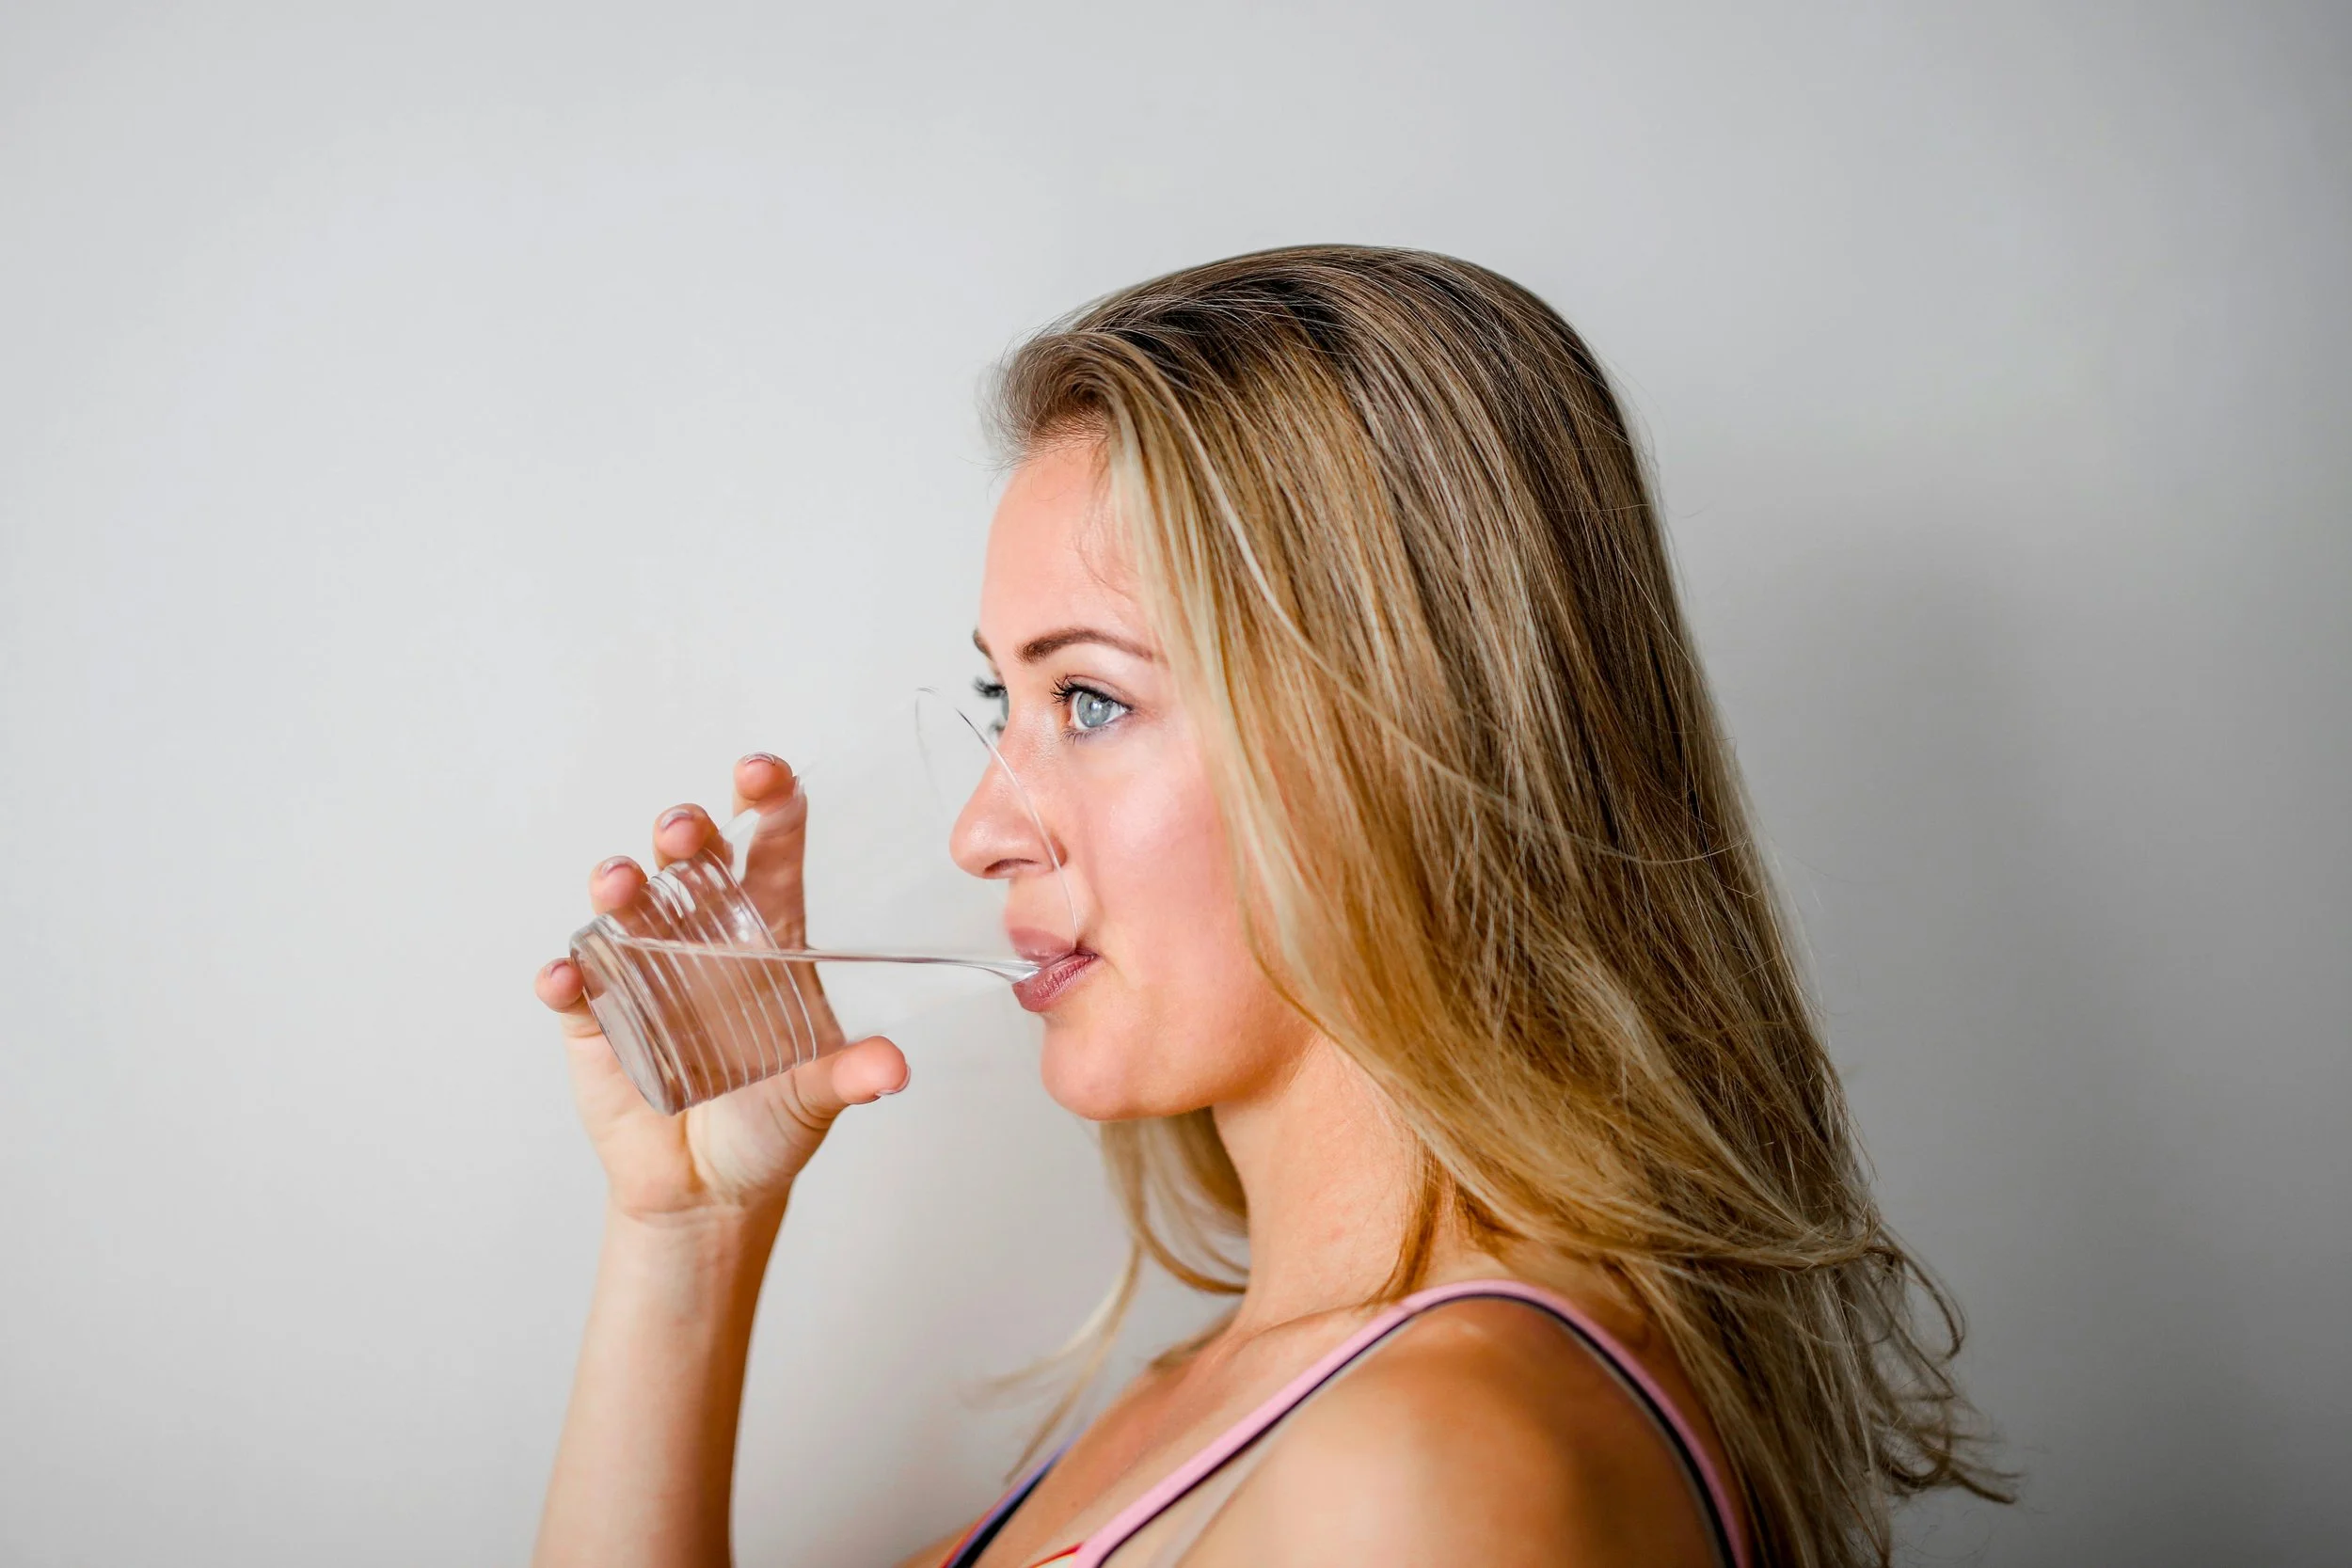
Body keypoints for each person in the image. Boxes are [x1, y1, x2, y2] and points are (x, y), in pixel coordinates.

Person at [529, 245, 2006, 1567]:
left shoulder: (1426, 1476)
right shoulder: (1235, 1395)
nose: (982, 827)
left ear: (1395, 739)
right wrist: (692, 1230)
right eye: (1005, 699)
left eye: (1091, 697)